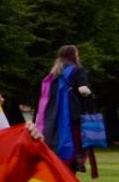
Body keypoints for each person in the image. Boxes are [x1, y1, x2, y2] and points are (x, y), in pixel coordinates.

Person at [38, 44, 95, 172]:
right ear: (74, 55)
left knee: (57, 142)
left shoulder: (54, 73)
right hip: (72, 116)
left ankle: (58, 169)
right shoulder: (77, 70)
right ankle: (73, 167)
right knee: (74, 144)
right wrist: (91, 94)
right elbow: (83, 90)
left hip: (53, 116)